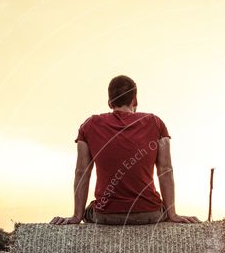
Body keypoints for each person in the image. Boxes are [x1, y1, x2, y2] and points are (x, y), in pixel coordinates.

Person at [51, 75, 199, 226]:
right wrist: (172, 214)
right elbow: (165, 168)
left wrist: (77, 216)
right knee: (160, 207)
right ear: (135, 100)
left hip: (106, 215)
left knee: (90, 209)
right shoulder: (156, 123)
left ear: (110, 103)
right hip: (149, 213)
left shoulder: (89, 125)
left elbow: (81, 172)